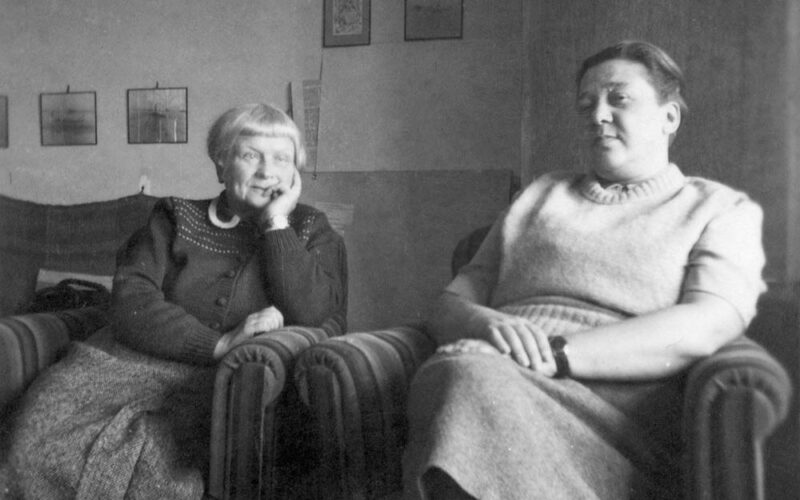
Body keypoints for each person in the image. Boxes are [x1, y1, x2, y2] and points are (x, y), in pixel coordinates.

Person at [402, 41, 766, 499]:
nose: (598, 114)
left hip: (612, 415)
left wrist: (555, 354)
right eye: (586, 103)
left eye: (619, 98)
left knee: (470, 380)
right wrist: (486, 325)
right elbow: (449, 303)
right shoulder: (540, 195)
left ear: (669, 117)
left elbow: (708, 322)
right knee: (461, 375)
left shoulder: (718, 208)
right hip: (483, 368)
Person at [0, 103, 346, 499]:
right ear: (221, 163)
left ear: (295, 170)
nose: (267, 171)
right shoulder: (175, 216)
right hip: (118, 361)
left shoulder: (309, 228)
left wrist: (276, 223)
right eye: (251, 155)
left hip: (215, 382)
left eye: (281, 159)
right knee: (31, 441)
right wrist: (217, 342)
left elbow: (318, 314)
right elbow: (130, 298)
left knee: (158, 469)